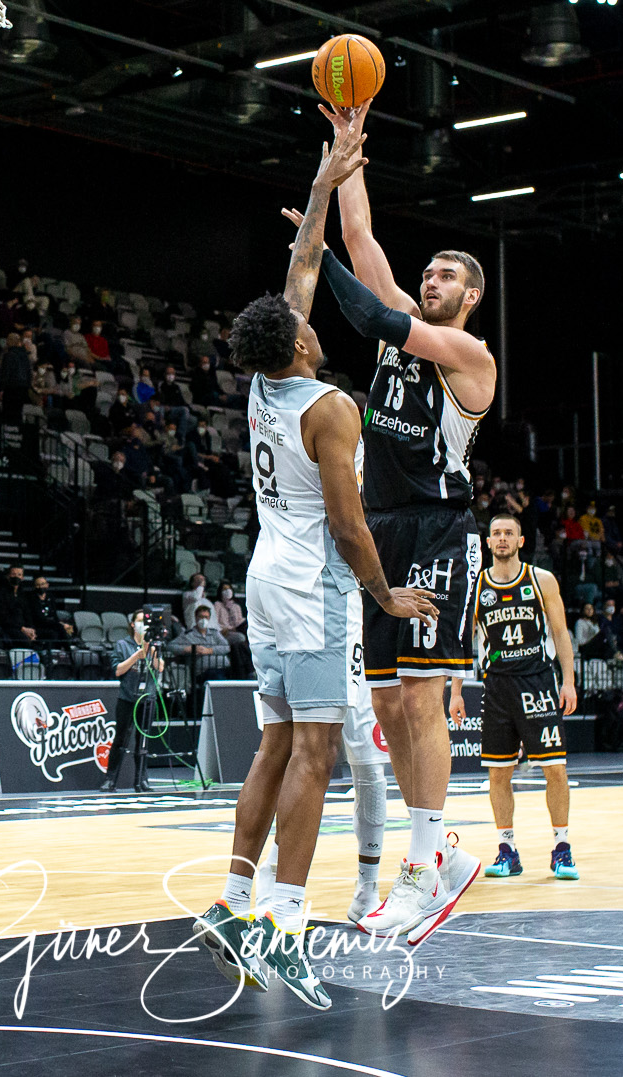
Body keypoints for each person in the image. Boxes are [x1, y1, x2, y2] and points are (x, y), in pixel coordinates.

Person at [190, 111, 434, 1008]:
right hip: (315, 583)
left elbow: (300, 267)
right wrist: (385, 594)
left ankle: (232, 897)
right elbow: (348, 521)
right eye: (306, 324)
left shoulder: (265, 379)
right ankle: (287, 929)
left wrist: (328, 177)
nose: (313, 322)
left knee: (277, 743)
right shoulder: (330, 405)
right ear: (298, 342)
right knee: (319, 754)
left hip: (264, 576)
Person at [296, 99, 496, 944]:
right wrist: (347, 156)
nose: (433, 279)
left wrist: (311, 255)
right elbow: (361, 239)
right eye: (432, 272)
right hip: (380, 528)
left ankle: (420, 868)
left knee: (420, 700)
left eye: (449, 276)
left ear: (472, 298)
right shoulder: (398, 331)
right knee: (384, 705)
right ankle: (441, 848)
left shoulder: (470, 358)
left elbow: (373, 310)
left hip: (440, 528)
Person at [467, 512, 580, 883]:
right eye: (496, 533)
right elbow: (466, 642)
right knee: (498, 774)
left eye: (508, 533)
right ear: (487, 542)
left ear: (520, 541)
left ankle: (561, 848)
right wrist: (455, 689)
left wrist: (568, 681)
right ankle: (506, 850)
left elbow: (561, 634)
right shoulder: (477, 585)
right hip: (496, 686)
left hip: (537, 682)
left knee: (555, 769)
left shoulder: (541, 579)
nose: (501, 538)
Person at [101, 609, 163, 793]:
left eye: (146, 621)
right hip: (128, 697)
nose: (143, 624)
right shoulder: (123, 644)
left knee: (143, 740)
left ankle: (141, 780)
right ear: (133, 624)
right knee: (120, 738)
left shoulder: (153, 645)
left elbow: (159, 667)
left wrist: (150, 650)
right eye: (139, 621)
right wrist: (137, 655)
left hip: (147, 697)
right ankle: (110, 779)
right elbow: (118, 670)